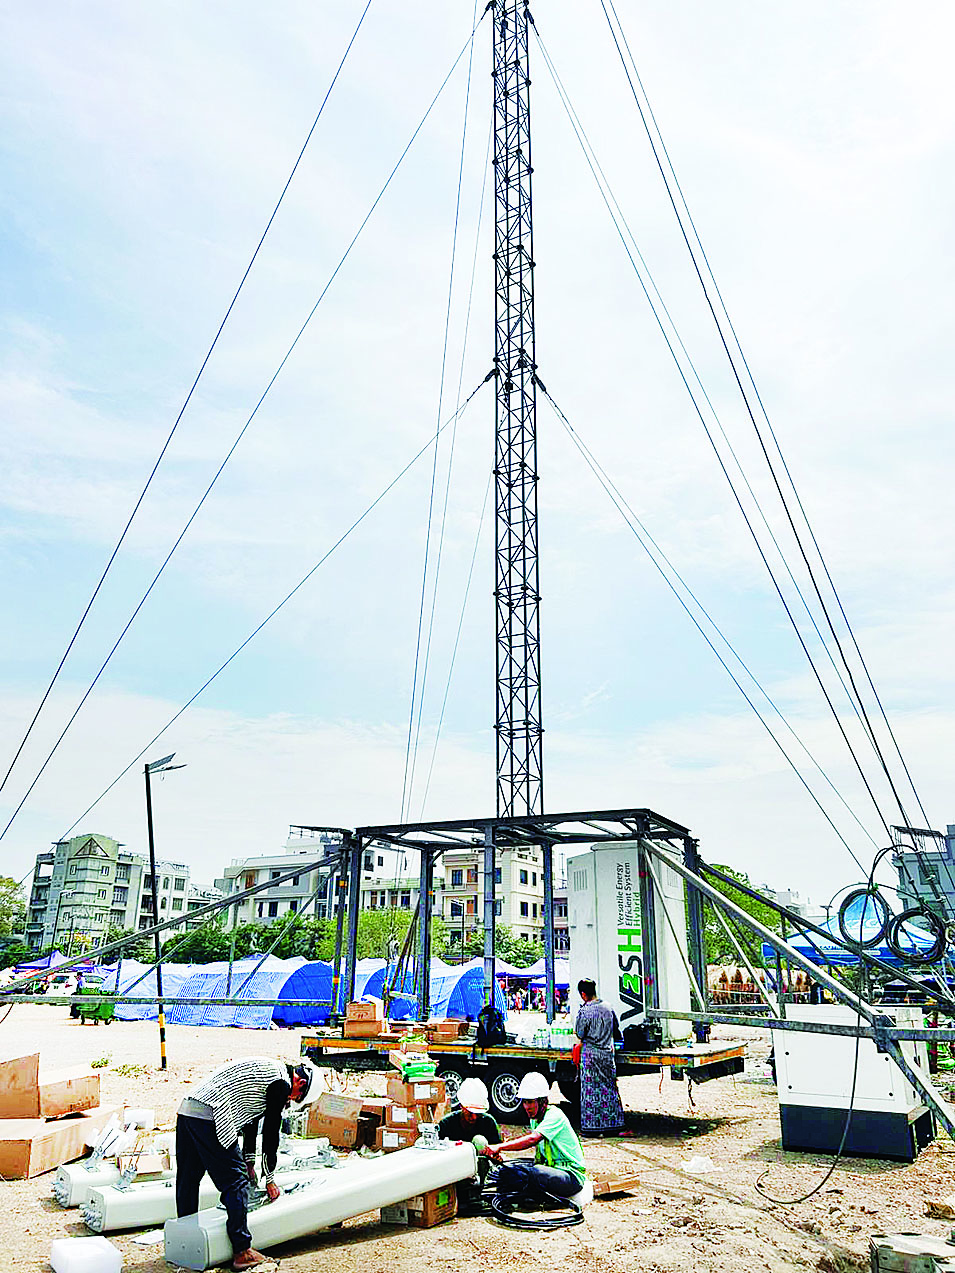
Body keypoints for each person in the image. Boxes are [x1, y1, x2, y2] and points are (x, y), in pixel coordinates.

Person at [176, 1056, 318, 1271]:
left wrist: (249, 1162)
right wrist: (270, 1179)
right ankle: (242, 1251)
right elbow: (271, 1133)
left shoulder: (270, 1071)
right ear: (301, 1083)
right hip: (212, 1113)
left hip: (188, 1110)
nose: (289, 1100)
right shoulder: (282, 1083)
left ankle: (185, 1243)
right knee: (236, 1181)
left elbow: (250, 1121)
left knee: (188, 1178)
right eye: (296, 1097)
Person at [479, 1072, 586, 1203]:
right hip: (551, 1171)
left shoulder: (555, 1116)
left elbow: (532, 1139)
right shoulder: (535, 1119)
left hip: (571, 1176)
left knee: (536, 1173)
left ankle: (535, 1200)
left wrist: (500, 1147)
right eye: (524, 1102)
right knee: (508, 1171)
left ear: (543, 1102)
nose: (526, 1107)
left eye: (530, 1102)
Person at [438, 1077, 500, 1214]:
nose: (474, 1117)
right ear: (461, 1106)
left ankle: (476, 1194)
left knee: (479, 1141)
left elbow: (497, 1154)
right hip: (455, 1172)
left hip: (480, 1173)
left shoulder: (488, 1123)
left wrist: (494, 1155)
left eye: (478, 1113)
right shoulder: (446, 1124)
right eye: (470, 1113)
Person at [574, 978, 625, 1137]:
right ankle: (613, 1126)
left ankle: (591, 1129)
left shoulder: (585, 1011)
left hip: (591, 1056)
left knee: (590, 1092)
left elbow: (580, 1033)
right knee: (609, 1089)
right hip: (607, 1054)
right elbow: (616, 1029)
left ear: (583, 994)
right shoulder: (608, 1007)